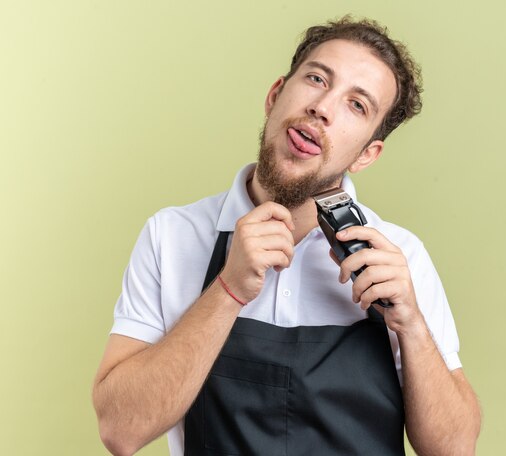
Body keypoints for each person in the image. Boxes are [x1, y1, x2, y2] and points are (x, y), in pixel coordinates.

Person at [93, 17, 481, 456]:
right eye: (317, 78)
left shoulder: (400, 255)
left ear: (368, 153)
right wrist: (227, 290)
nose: (323, 107)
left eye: (357, 105)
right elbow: (120, 430)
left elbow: (454, 449)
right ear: (276, 95)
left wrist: (411, 324)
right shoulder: (172, 235)